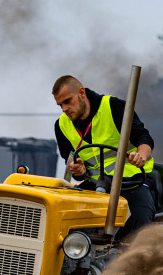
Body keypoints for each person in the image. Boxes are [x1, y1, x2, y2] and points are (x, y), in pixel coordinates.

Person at [52, 74, 155, 243]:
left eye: (67, 101)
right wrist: (78, 170)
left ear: (81, 93)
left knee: (139, 221)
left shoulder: (114, 107)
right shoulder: (61, 125)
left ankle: (127, 261)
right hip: (93, 186)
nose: (64, 109)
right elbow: (70, 162)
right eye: (60, 105)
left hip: (131, 182)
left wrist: (141, 156)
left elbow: (144, 138)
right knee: (62, 219)